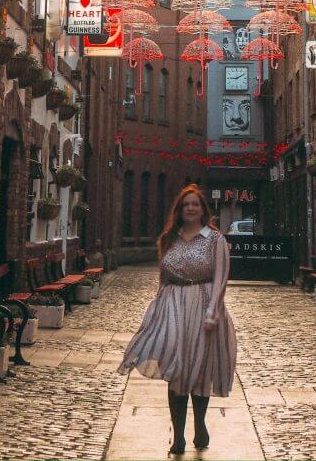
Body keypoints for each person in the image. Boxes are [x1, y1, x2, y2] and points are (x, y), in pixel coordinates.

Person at [117, 184, 237, 455]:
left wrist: (213, 310)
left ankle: (200, 425)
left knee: (200, 369)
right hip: (173, 306)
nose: (190, 208)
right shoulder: (171, 237)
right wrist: (158, 309)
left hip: (203, 304)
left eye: (195, 204)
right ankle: (179, 435)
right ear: (180, 210)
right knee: (176, 368)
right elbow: (164, 277)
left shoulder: (214, 239)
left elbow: (221, 276)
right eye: (186, 205)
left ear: (202, 209)